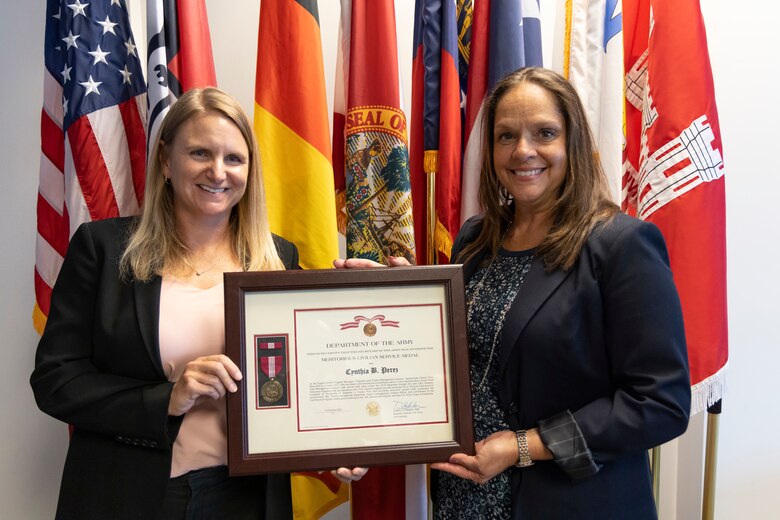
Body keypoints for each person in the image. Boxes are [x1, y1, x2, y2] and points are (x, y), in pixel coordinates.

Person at [339, 67, 691, 519]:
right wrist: (398, 297)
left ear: (573, 142)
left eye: (544, 132)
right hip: (463, 497)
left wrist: (520, 447)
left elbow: (660, 403)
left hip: (570, 504)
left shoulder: (620, 246)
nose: (523, 150)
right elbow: (458, 357)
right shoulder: (475, 240)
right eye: (506, 136)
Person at [30, 87, 363, 520]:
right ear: (166, 161)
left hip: (248, 498)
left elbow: (302, 385)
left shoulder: (278, 259)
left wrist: (336, 441)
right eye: (200, 153)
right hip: (132, 496)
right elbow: (55, 382)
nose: (218, 172)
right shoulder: (103, 249)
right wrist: (167, 398)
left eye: (234, 158)